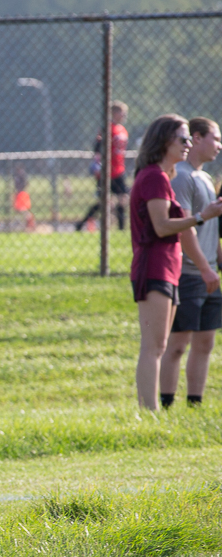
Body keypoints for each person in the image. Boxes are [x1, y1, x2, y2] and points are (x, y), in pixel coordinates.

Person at [130, 116, 222, 411]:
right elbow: (161, 226)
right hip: (155, 267)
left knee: (159, 346)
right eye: (182, 139)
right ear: (165, 140)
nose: (187, 145)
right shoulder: (155, 177)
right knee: (154, 346)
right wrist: (200, 216)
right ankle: (150, 411)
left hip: (168, 268)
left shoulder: (164, 177)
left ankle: (155, 410)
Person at [159, 118, 222, 408]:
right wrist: (205, 268)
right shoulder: (181, 176)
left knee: (205, 342)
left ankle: (194, 404)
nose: (219, 146)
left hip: (209, 272)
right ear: (196, 138)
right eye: (215, 138)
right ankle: (167, 404)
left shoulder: (206, 178)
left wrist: (215, 262)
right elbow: (185, 228)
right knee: (178, 344)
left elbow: (211, 231)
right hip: (189, 273)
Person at [76, 101, 130, 232]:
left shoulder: (122, 130)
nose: (124, 116)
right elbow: (97, 147)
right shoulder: (107, 128)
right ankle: (81, 224)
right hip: (106, 171)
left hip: (119, 170)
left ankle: (121, 229)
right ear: (114, 113)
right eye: (122, 113)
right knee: (104, 202)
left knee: (123, 198)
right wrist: (99, 166)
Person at [12, 164, 36, 231]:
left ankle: (30, 222)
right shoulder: (17, 175)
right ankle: (25, 224)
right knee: (19, 210)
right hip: (19, 192)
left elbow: (25, 184)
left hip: (22, 192)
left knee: (22, 209)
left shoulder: (22, 175)